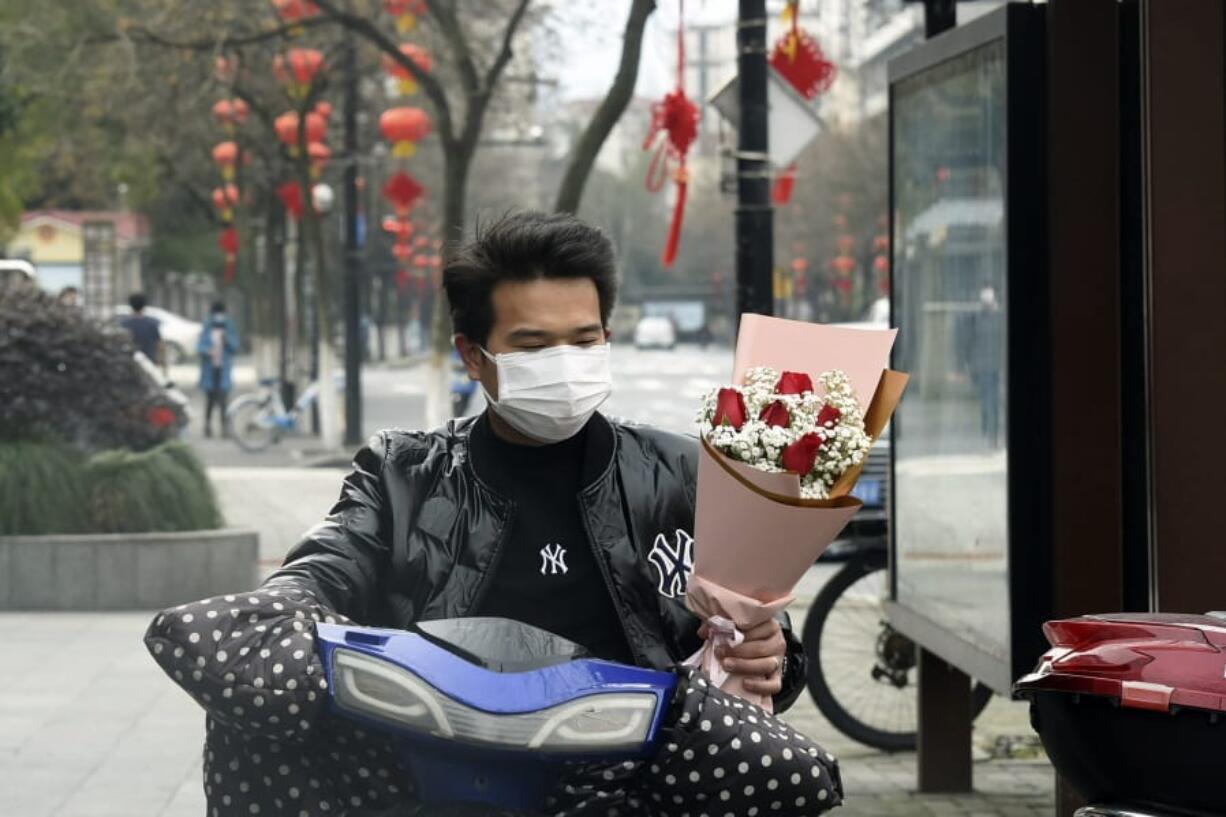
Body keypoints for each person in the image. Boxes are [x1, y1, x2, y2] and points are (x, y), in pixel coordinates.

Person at [146, 211, 843, 815]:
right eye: (535, 345)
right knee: (246, 720)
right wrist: (289, 610)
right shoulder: (402, 472)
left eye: (585, 338)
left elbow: (761, 643)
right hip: (433, 773)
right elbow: (325, 565)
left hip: (629, 783)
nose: (566, 364)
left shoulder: (679, 472)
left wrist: (772, 650)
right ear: (474, 357)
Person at [197, 300, 239, 438]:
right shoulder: (207, 326)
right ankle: (207, 426)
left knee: (223, 400)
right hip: (210, 369)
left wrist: (226, 340)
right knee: (209, 400)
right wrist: (207, 351)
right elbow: (200, 346)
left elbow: (235, 347)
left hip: (223, 369)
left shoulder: (229, 326)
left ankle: (224, 428)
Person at [120, 292, 162, 365]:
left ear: (130, 305)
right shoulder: (152, 323)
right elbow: (160, 346)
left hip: (129, 364)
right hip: (149, 363)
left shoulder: (124, 324)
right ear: (144, 305)